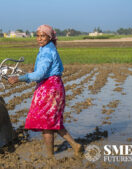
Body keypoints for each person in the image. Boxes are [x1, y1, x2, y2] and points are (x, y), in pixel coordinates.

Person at [8, 24, 82, 157]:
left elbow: (39, 75)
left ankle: (50, 156)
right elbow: (42, 71)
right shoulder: (47, 48)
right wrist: (34, 72)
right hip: (52, 87)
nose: (40, 39)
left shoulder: (47, 51)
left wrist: (20, 78)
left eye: (43, 36)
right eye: (38, 36)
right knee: (51, 122)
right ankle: (74, 145)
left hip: (49, 90)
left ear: (49, 37)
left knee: (46, 123)